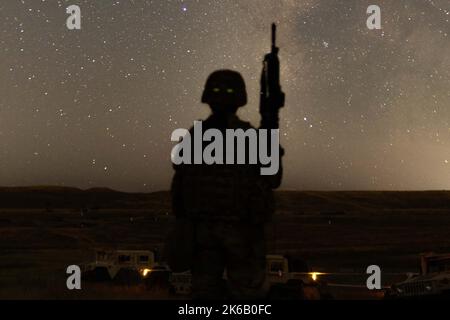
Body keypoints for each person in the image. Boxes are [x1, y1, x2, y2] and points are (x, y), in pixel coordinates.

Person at [170, 69, 283, 299]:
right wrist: (270, 127)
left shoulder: (195, 136)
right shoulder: (247, 136)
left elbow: (179, 187)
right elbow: (273, 177)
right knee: (245, 293)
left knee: (208, 292)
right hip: (235, 233)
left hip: (212, 232)